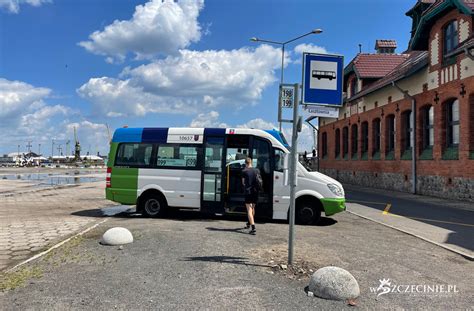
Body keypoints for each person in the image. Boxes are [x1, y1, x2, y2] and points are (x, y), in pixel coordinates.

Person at [242, 157, 259, 235]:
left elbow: (243, 182)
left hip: (248, 192)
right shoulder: (256, 170)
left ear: (245, 163)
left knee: (249, 209)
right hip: (255, 191)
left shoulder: (244, 171)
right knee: (253, 207)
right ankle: (249, 223)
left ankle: (253, 227)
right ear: (251, 162)